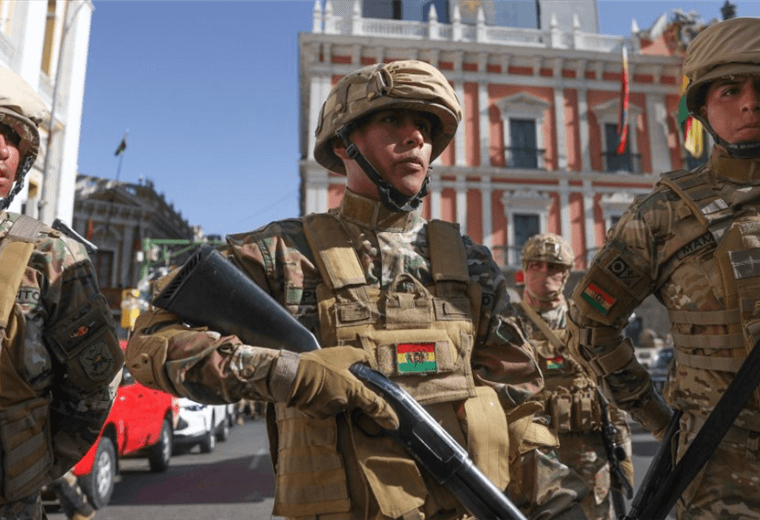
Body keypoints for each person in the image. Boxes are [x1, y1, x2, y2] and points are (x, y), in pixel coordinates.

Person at [126, 60, 588, 520]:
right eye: (393, 120)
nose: (415, 137)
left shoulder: (471, 265)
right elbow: (150, 343)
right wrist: (286, 373)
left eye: (426, 127)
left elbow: (516, 402)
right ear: (343, 143)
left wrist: (558, 500)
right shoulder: (283, 254)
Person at [567, 17, 760, 519]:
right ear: (702, 108)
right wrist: (660, 420)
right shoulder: (661, 216)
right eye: (731, 90)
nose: (751, 103)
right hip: (722, 476)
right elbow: (590, 326)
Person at [0, 67, 123, 519]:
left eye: (14, 137)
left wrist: (30, 468)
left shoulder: (47, 255)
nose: (3, 149)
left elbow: (97, 383)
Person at [512, 233, 632, 520]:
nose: (544, 272)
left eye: (553, 266)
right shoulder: (507, 321)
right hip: (531, 453)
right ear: (525, 269)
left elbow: (609, 383)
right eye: (536, 265)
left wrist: (623, 446)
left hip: (588, 453)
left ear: (565, 274)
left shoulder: (586, 322)